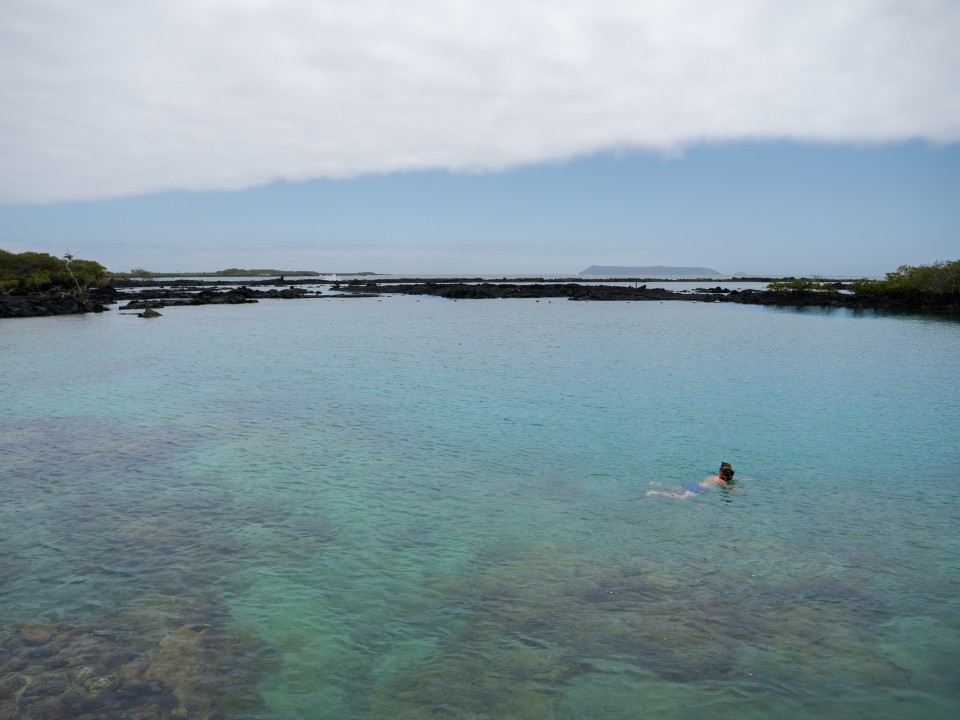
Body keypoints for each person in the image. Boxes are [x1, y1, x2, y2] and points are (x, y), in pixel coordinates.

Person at [646, 462, 735, 499]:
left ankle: (656, 484)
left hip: (694, 484)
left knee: (674, 488)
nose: (728, 474)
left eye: (730, 472)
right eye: (726, 472)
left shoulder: (713, 477)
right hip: (698, 489)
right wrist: (739, 491)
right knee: (681, 497)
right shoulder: (721, 481)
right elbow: (730, 488)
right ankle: (654, 492)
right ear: (720, 472)